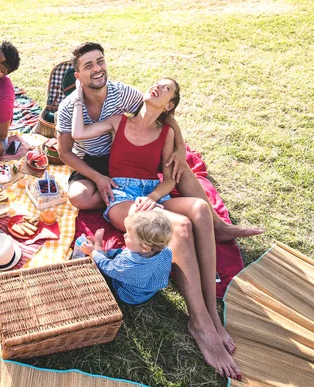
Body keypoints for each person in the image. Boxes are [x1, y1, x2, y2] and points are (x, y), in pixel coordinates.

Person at [72, 75, 242, 380]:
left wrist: (152, 197)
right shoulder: (118, 121)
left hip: (150, 193)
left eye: (167, 89)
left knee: (200, 209)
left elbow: (170, 180)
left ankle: (211, 314)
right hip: (122, 196)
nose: (158, 87)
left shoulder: (165, 133)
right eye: (158, 83)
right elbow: (79, 132)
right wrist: (76, 93)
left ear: (170, 105)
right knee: (181, 227)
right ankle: (201, 321)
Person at [56, 42, 263, 242]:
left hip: (127, 152)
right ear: (78, 75)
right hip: (93, 159)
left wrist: (181, 148)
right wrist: (98, 178)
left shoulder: (121, 92)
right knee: (79, 197)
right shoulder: (68, 107)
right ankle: (128, 201)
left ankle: (218, 225)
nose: (97, 69)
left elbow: (161, 112)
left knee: (177, 165)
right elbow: (64, 152)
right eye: (89, 65)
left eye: (100, 62)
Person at [80, 211, 173, 305]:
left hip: (129, 295)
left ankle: (97, 247)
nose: (124, 235)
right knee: (119, 253)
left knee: (101, 268)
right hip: (148, 288)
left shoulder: (128, 264)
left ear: (145, 248)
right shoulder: (165, 251)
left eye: (128, 236)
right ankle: (100, 251)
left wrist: (92, 252)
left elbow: (107, 267)